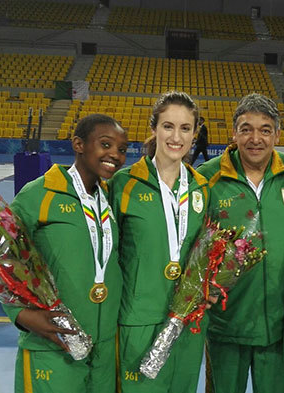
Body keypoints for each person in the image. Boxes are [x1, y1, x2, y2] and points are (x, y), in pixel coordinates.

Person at [197, 93, 284, 393]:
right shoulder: (206, 178)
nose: (255, 138)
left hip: (280, 327)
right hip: (225, 325)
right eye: (246, 129)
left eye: (265, 130)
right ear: (234, 133)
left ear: (277, 134)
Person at [3, 114, 128, 393]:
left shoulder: (112, 198)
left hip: (105, 347)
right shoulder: (39, 195)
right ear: (79, 144)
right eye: (105, 144)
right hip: (53, 344)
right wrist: (20, 315)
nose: (115, 155)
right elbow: (0, 259)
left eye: (121, 149)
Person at [110, 91, 211, 393]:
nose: (176, 137)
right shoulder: (123, 184)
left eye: (185, 128)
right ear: (153, 128)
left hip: (188, 325)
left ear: (195, 134)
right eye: (168, 126)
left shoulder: (202, 188)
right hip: (138, 321)